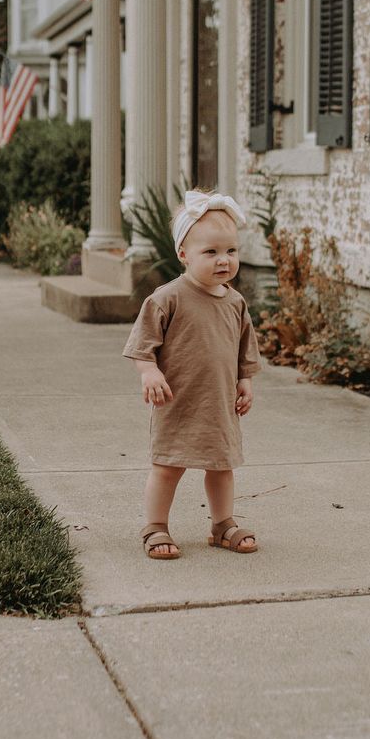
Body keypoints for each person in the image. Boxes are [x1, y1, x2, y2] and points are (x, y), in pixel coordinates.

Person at [122, 188, 263, 560]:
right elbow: (142, 345)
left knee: (221, 467)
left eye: (231, 251)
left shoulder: (235, 302)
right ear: (183, 254)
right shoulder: (167, 298)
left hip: (218, 403)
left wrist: (245, 381)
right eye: (211, 252)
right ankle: (155, 525)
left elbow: (243, 349)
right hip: (178, 401)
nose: (224, 261)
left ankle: (222, 524)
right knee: (168, 465)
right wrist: (149, 372)